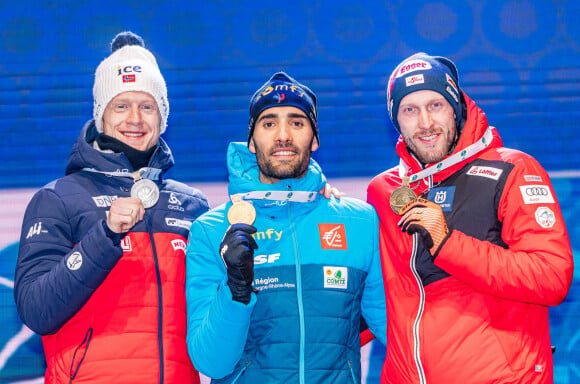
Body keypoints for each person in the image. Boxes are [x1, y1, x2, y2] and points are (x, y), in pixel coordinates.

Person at [367, 52, 574, 383]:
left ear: (456, 106)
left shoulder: (513, 169)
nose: (425, 123)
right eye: (410, 110)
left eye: (435, 105)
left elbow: (551, 277)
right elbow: (375, 293)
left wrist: (448, 243)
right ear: (396, 120)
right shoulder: (384, 190)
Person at [14, 31, 209, 383]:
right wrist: (103, 236)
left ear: (162, 118)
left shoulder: (194, 206)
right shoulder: (58, 199)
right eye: (121, 106)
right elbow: (36, 310)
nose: (135, 119)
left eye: (147, 106)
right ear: (100, 116)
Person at [185, 72, 386, 383]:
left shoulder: (360, 222)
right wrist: (236, 292)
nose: (283, 136)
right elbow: (211, 362)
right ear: (251, 141)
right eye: (268, 123)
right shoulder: (211, 231)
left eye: (296, 122)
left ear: (314, 138)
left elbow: (397, 332)